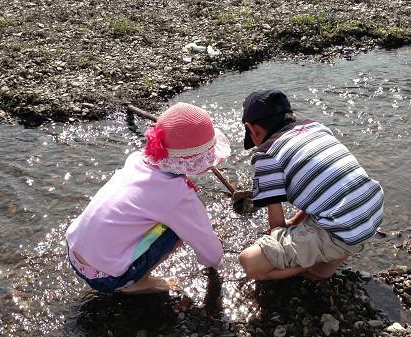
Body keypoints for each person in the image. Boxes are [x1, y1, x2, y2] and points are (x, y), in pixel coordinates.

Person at [66, 102, 230, 293]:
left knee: (166, 218)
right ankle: (135, 283)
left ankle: (125, 271)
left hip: (74, 252)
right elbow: (210, 252)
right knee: (178, 228)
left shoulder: (136, 161)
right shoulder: (176, 194)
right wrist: (216, 259)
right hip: (107, 278)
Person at [238, 89, 384, 280]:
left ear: (252, 129)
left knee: (249, 261)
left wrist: (277, 243)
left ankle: (321, 258)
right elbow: (322, 188)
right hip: (372, 212)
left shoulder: (266, 154)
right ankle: (333, 255)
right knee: (318, 274)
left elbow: (276, 227)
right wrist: (296, 223)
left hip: (344, 231)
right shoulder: (316, 128)